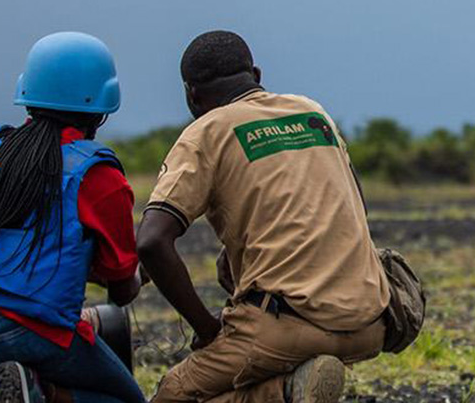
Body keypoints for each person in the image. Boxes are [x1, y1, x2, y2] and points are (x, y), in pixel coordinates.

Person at [138, 31, 390, 403]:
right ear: (255, 74)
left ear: (192, 95)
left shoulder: (205, 133)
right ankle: (292, 385)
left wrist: (207, 329)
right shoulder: (311, 112)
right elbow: (353, 205)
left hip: (286, 325)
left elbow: (152, 241)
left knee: (174, 393)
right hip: (370, 319)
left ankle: (284, 392)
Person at [0, 32, 147, 403]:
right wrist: (139, 271)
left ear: (28, 92)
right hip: (23, 334)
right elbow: (121, 290)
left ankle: (30, 388)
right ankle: (42, 394)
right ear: (101, 105)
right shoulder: (99, 176)